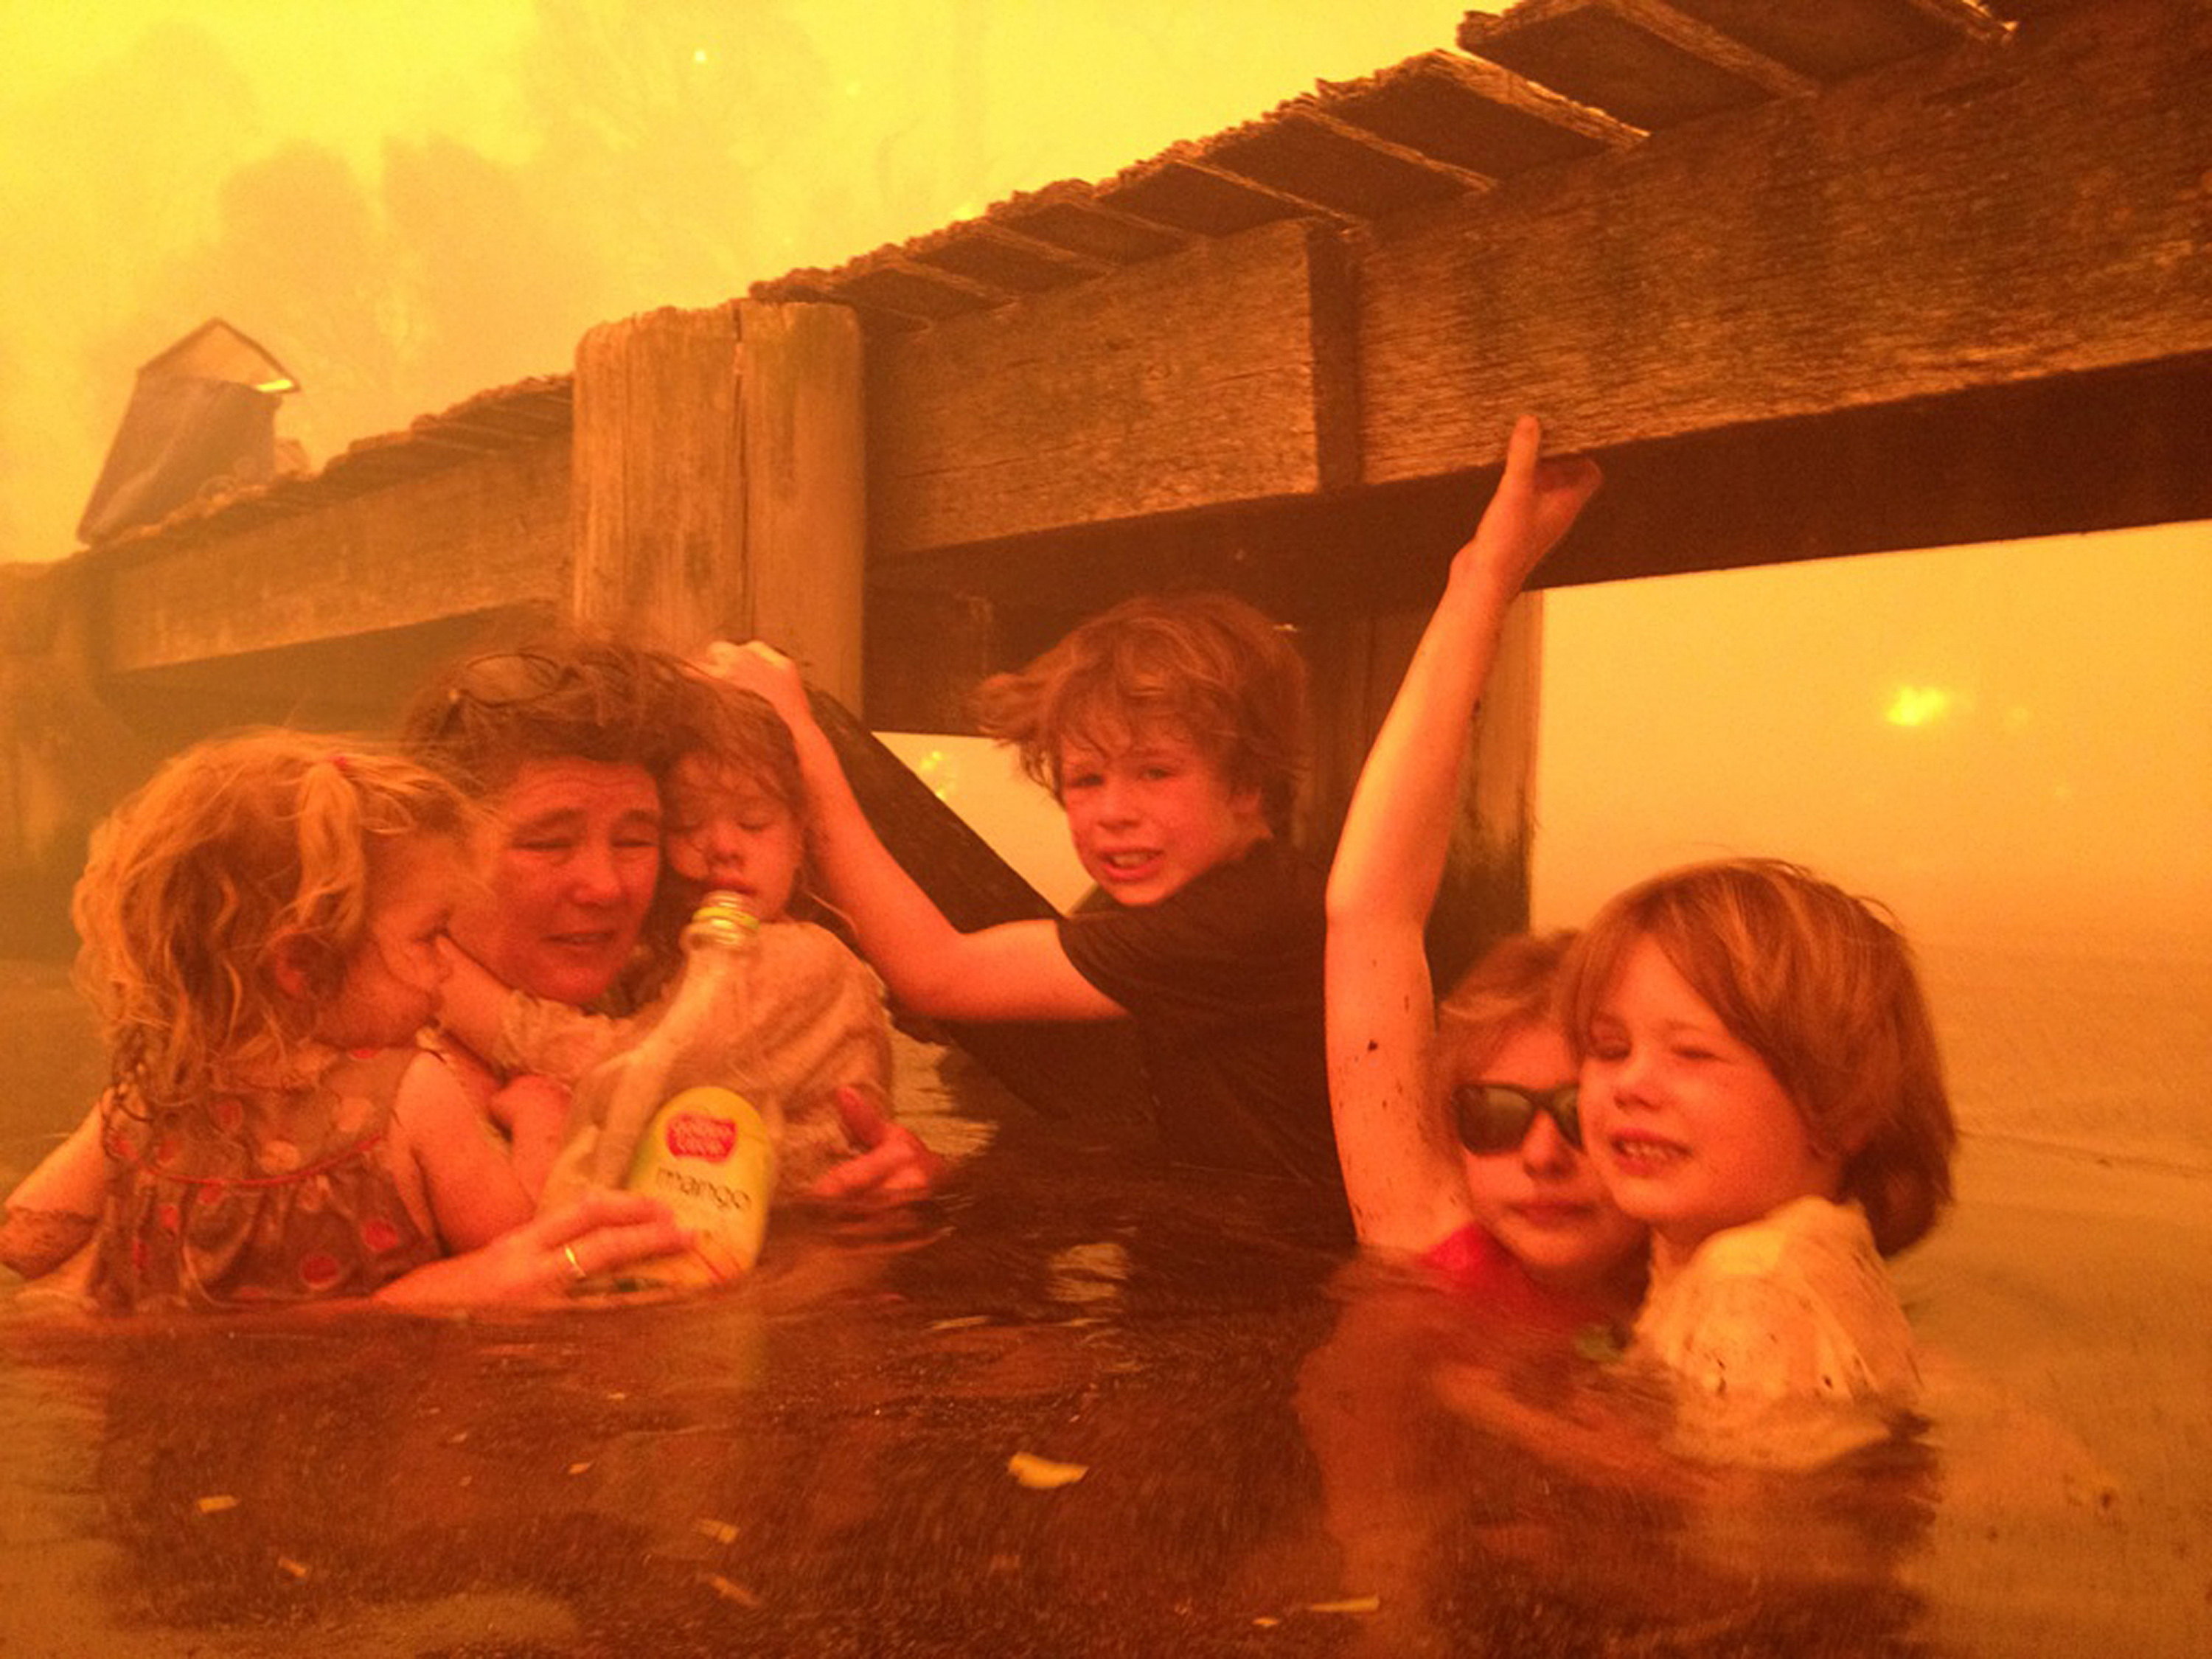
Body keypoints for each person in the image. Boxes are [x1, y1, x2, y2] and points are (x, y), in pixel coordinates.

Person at [0, 730, 686, 1310]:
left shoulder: (148, 1104)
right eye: (428, 938)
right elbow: (523, 1246)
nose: (447, 968)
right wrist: (539, 1121)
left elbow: (23, 1244)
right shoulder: (409, 1095)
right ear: (300, 965)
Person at [707, 588, 1343, 1211]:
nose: (1113, 813)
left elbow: (938, 974)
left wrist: (797, 729)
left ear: (1248, 784)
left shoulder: (1247, 918)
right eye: (1087, 780)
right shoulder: (1206, 898)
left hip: (1291, 1269)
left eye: (1155, 772)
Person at [399, 632, 933, 1203]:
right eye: (550, 843)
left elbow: (635, 1075)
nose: (606, 887)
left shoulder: (686, 982)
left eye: (636, 839)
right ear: (431, 852)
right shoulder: (375, 1065)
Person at [1326, 414, 1642, 1316]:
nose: (1542, 1156)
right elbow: (1372, 911)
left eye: (1587, 1116)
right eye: (1494, 1119)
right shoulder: (1429, 1239)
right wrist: (1485, 581)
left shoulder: (1711, 1301)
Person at [1560, 857, 1957, 1430]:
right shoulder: (1805, 1253)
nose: (1631, 1085)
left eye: (1693, 1054)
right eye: (1609, 1048)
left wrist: (1511, 1412)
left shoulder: (1753, 1286)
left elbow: (1742, 1501)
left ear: (1843, 1109)